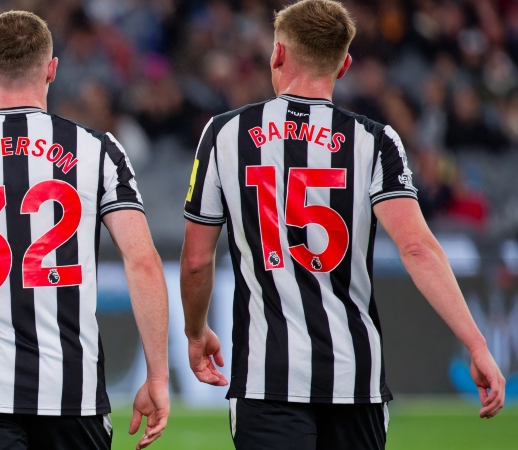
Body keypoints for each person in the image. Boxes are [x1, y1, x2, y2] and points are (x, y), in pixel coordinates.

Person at [178, 1, 506, 448]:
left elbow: (197, 261)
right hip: (354, 380)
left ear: (277, 55)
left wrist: (196, 333)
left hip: (267, 378)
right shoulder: (374, 140)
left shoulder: (224, 134)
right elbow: (417, 248)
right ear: (344, 64)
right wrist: (476, 344)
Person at [0, 11, 172, 450]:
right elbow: (142, 261)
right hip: (74, 396)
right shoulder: (99, 150)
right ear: (51, 68)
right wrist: (157, 375)